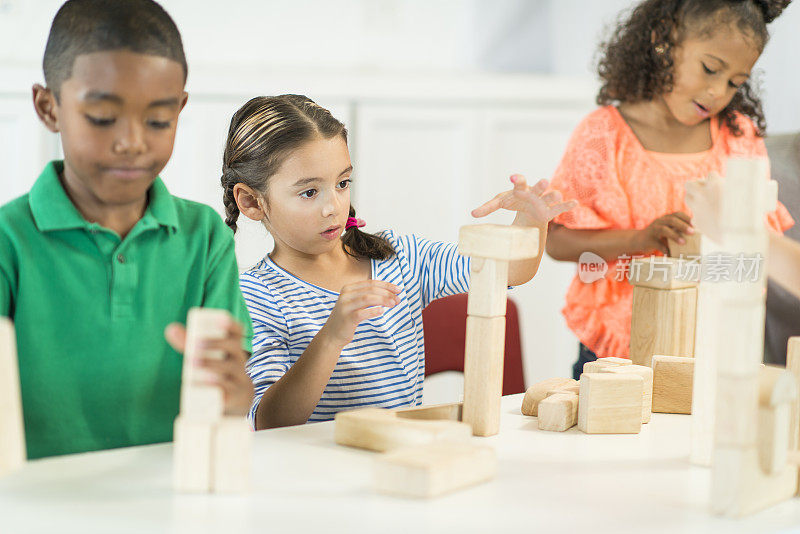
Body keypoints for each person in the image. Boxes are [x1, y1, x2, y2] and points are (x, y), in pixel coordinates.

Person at [221, 95, 576, 429]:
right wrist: (331, 337)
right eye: (309, 192)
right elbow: (269, 422)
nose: (333, 206)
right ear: (252, 202)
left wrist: (533, 221)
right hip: (318, 477)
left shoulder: (400, 258)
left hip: (398, 462)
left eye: (342, 183)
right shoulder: (254, 296)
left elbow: (502, 272)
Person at [0, 0, 253, 459]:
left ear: (180, 109)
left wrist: (235, 397)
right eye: (101, 118)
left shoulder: (205, 237)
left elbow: (227, 401)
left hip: (168, 493)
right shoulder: (8, 239)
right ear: (48, 107)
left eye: (158, 120)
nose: (132, 142)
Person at [544, 0, 794, 379]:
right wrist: (641, 238)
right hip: (617, 353)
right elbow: (557, 241)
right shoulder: (602, 135)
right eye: (710, 69)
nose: (717, 92)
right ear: (664, 41)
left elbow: (759, 245)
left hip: (714, 348)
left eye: (734, 83)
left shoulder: (739, 137)